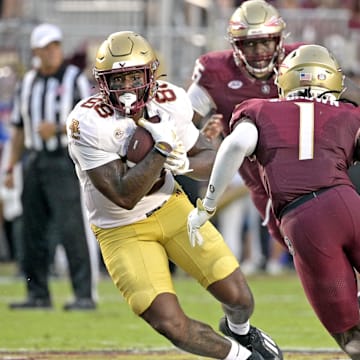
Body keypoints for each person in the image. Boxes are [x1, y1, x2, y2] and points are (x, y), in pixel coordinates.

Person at [66, 30, 282, 360]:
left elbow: (210, 157)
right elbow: (123, 195)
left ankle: (240, 331)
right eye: (117, 80)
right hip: (121, 229)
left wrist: (183, 163)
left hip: (172, 206)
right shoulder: (88, 120)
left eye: (133, 77)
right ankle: (242, 357)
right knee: (170, 322)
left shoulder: (171, 99)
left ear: (150, 75)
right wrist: (163, 149)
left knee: (240, 300)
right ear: (102, 82)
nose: (126, 89)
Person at [187, 44, 360, 359]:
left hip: (305, 219)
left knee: (350, 332)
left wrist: (208, 205)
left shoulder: (260, 109)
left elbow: (235, 144)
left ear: (285, 80)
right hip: (348, 204)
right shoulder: (349, 112)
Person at [187, 0, 299, 272]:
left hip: (309, 176)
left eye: (265, 42)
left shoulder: (300, 62)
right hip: (260, 186)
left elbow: (343, 101)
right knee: (301, 251)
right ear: (236, 46)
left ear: (279, 40)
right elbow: (184, 123)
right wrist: (201, 136)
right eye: (249, 43)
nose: (259, 51)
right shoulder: (216, 71)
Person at [5, 23, 97, 310]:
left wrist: (58, 129)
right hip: (34, 160)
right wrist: (10, 167)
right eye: (46, 48)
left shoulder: (75, 79)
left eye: (55, 45)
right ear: (36, 52)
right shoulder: (28, 82)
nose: (52, 52)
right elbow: (19, 128)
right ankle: (38, 294)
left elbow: (91, 122)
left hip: (63, 160)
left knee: (72, 227)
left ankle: (84, 294)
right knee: (32, 229)